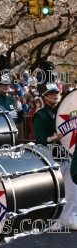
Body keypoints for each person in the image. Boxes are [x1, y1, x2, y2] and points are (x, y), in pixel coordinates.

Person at [33, 82, 77, 231]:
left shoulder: (63, 109)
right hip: (51, 155)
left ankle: (68, 218)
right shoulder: (41, 115)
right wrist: (52, 138)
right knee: (55, 192)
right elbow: (39, 138)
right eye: (51, 93)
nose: (55, 95)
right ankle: (51, 221)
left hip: (66, 155)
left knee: (72, 190)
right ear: (44, 97)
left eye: (56, 92)